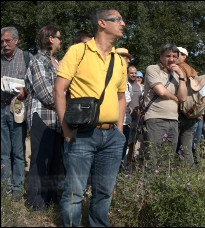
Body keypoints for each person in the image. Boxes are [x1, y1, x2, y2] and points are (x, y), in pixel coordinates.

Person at [54, 7, 128, 227]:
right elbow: (59, 89)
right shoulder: (78, 51)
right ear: (102, 23)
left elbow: (121, 98)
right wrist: (66, 129)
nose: (123, 24)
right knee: (75, 192)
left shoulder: (119, 60)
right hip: (82, 133)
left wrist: (120, 131)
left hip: (112, 137)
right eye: (118, 20)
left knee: (104, 192)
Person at [24, 25, 64, 210]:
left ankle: (51, 200)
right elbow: (47, 94)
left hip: (58, 119)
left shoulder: (56, 61)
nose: (60, 41)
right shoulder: (38, 60)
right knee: (41, 162)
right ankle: (36, 204)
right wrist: (65, 101)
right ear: (50, 38)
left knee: (55, 162)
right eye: (59, 37)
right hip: (42, 117)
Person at [142, 43, 188, 167]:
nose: (171, 59)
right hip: (155, 118)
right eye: (168, 56)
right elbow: (161, 91)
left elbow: (183, 98)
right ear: (161, 57)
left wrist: (182, 76)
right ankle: (148, 185)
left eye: (174, 56)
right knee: (153, 157)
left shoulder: (177, 75)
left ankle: (163, 186)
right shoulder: (152, 69)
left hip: (173, 120)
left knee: (168, 159)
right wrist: (175, 98)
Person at [1, 26, 32, 201]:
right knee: (3, 152)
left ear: (16, 40)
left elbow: (33, 83)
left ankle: (17, 189)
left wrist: (25, 91)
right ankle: (5, 187)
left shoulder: (26, 57)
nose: (4, 44)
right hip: (1, 108)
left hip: (18, 109)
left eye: (7, 41)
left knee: (18, 152)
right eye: (2, 41)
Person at [174, 46, 201, 166]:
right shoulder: (194, 71)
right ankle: (189, 176)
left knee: (172, 146)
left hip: (179, 111)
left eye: (178, 54)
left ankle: (170, 173)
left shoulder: (177, 69)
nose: (175, 56)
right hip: (191, 113)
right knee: (187, 148)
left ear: (184, 56)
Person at [116, 48, 133, 170]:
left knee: (123, 151)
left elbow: (127, 99)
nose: (128, 60)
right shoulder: (112, 76)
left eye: (128, 57)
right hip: (114, 122)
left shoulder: (127, 83)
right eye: (124, 57)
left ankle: (120, 176)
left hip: (126, 122)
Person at [126, 65, 142, 168]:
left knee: (133, 141)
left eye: (135, 73)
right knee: (125, 140)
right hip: (126, 116)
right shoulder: (125, 84)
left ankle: (128, 163)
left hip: (136, 117)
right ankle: (123, 162)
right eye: (131, 73)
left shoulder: (138, 86)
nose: (134, 75)